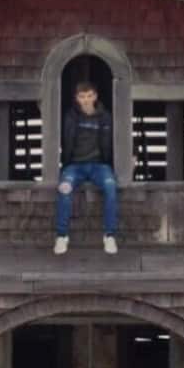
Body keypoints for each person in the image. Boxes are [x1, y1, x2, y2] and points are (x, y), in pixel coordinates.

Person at [54, 81, 117, 255]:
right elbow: (59, 138)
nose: (86, 100)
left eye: (89, 96)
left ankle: (109, 235)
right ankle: (61, 235)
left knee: (111, 186)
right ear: (77, 99)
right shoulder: (70, 116)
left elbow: (119, 137)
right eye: (82, 97)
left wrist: (132, 154)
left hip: (99, 165)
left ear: (95, 96)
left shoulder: (105, 116)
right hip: (75, 165)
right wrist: (63, 164)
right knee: (64, 189)